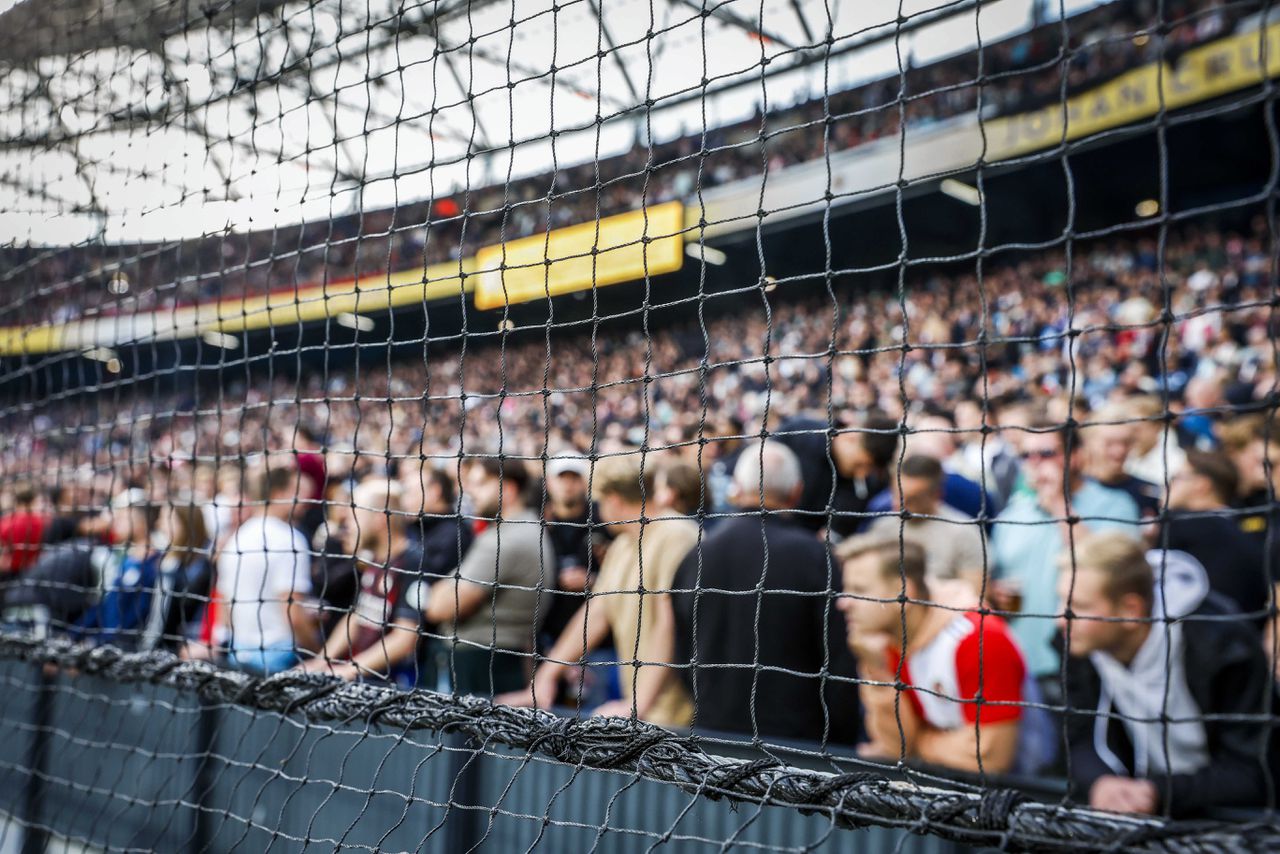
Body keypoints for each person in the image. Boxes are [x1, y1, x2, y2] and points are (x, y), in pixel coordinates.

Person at [1057, 532, 1270, 816]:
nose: (1061, 619)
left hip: (1230, 817)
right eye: (1062, 601)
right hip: (1135, 810)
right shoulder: (1080, 642)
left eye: (1078, 607)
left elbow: (1252, 772)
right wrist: (1101, 781)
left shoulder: (1224, 646)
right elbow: (1078, 739)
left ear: (1130, 610)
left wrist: (1156, 791)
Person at [671, 439, 861, 744]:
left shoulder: (698, 555)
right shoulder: (816, 558)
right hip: (796, 745)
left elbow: (679, 650)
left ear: (735, 488)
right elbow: (839, 659)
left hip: (711, 737)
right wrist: (841, 737)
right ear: (797, 491)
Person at [501, 455, 698, 725]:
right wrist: (546, 676)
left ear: (614, 500)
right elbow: (596, 613)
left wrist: (636, 705)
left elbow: (670, 621)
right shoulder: (623, 545)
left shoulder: (677, 535)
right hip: (647, 711)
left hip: (679, 713)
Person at [837, 537, 1024, 773]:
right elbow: (893, 748)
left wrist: (916, 745)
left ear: (903, 592)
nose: (843, 603)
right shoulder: (880, 641)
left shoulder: (980, 639)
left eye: (859, 590)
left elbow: (990, 759)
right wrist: (877, 669)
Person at [990, 418, 1140, 690]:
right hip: (1020, 665)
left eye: (1046, 453)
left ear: (1077, 457)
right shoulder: (1012, 514)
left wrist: (1059, 503)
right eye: (1026, 455)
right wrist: (995, 592)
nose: (1035, 462)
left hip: (1085, 663)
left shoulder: (1115, 505)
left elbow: (1110, 571)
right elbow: (997, 579)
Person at [420, 458, 554, 696]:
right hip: (493, 661)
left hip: (482, 664)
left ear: (508, 489)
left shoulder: (507, 538)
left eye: (480, 483)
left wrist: (440, 591)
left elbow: (441, 607)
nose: (471, 491)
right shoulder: (521, 529)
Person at [301, 478, 425, 684]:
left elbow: (405, 639)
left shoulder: (412, 561)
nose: (347, 525)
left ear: (379, 519)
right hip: (364, 683)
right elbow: (357, 616)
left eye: (355, 516)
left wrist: (349, 669)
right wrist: (321, 661)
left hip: (393, 688)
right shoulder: (376, 559)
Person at [216, 465, 319, 674]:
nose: (301, 500)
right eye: (294, 491)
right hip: (279, 657)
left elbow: (224, 606)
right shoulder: (289, 539)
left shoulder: (236, 538)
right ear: (278, 493)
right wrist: (319, 653)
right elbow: (293, 613)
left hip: (238, 652)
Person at [1160, 450, 1273, 625]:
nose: (1168, 484)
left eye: (1176, 477)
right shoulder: (1249, 535)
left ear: (1201, 485)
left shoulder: (1182, 526)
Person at [863, 455, 987, 589]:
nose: (897, 505)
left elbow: (975, 595)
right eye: (895, 494)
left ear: (936, 495)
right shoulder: (881, 528)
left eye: (912, 499)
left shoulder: (965, 534)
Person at [72, 489, 163, 650]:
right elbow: (106, 605)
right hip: (106, 648)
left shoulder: (155, 563)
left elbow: (137, 616)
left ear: (140, 520)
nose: (116, 523)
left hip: (126, 652)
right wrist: (74, 636)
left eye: (122, 518)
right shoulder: (127, 558)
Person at [149, 495, 214, 651]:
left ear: (185, 524)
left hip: (180, 650)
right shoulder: (169, 562)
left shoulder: (199, 569)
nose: (159, 524)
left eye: (166, 519)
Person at [1082, 403, 1162, 519]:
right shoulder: (1075, 490)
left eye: (1126, 442)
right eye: (1109, 443)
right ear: (1089, 443)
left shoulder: (1149, 492)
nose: (1119, 451)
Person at [0, 482, 47, 578]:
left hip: (8, 572)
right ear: (33, 500)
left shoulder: (6, 521)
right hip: (34, 571)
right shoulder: (41, 522)